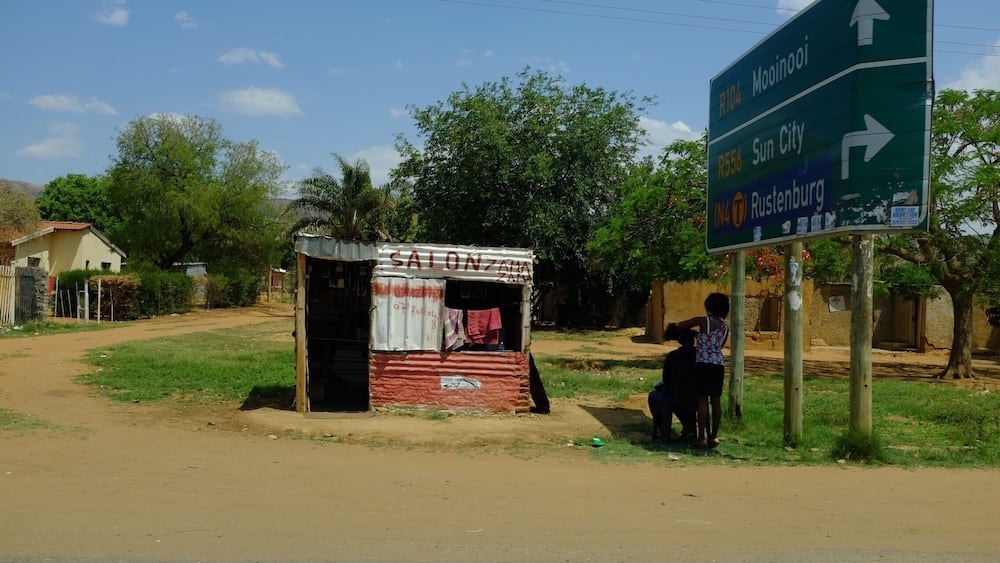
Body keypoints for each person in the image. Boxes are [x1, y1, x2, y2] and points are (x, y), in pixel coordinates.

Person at [671, 292, 730, 448]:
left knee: (702, 400)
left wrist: (694, 335)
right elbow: (717, 345)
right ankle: (714, 436)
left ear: (709, 306)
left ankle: (701, 438)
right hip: (718, 364)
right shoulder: (725, 328)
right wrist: (701, 336)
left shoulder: (702, 321)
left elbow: (680, 326)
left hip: (702, 364)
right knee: (716, 401)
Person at [653, 324, 698, 444]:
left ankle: (664, 432)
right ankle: (690, 427)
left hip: (675, 395)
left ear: (679, 340)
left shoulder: (673, 356)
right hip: (696, 396)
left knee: (654, 396)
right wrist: (697, 335)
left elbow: (666, 378)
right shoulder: (701, 355)